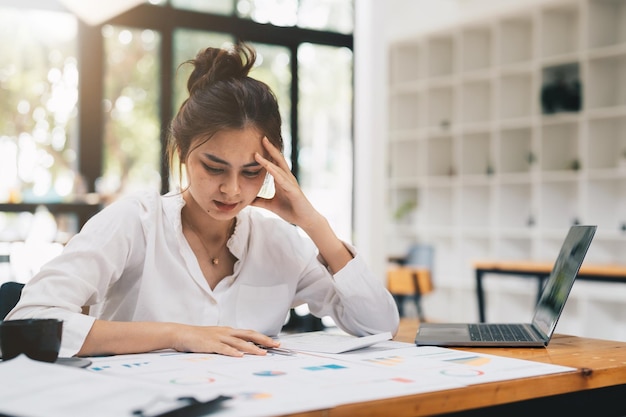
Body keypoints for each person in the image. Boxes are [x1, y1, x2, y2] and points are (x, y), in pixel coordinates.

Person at [7, 43, 399, 358]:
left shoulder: (278, 242)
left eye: (251, 172)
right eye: (214, 168)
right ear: (182, 154)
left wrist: (314, 224)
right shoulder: (135, 223)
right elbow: (29, 322)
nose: (231, 189)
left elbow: (379, 325)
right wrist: (179, 335)